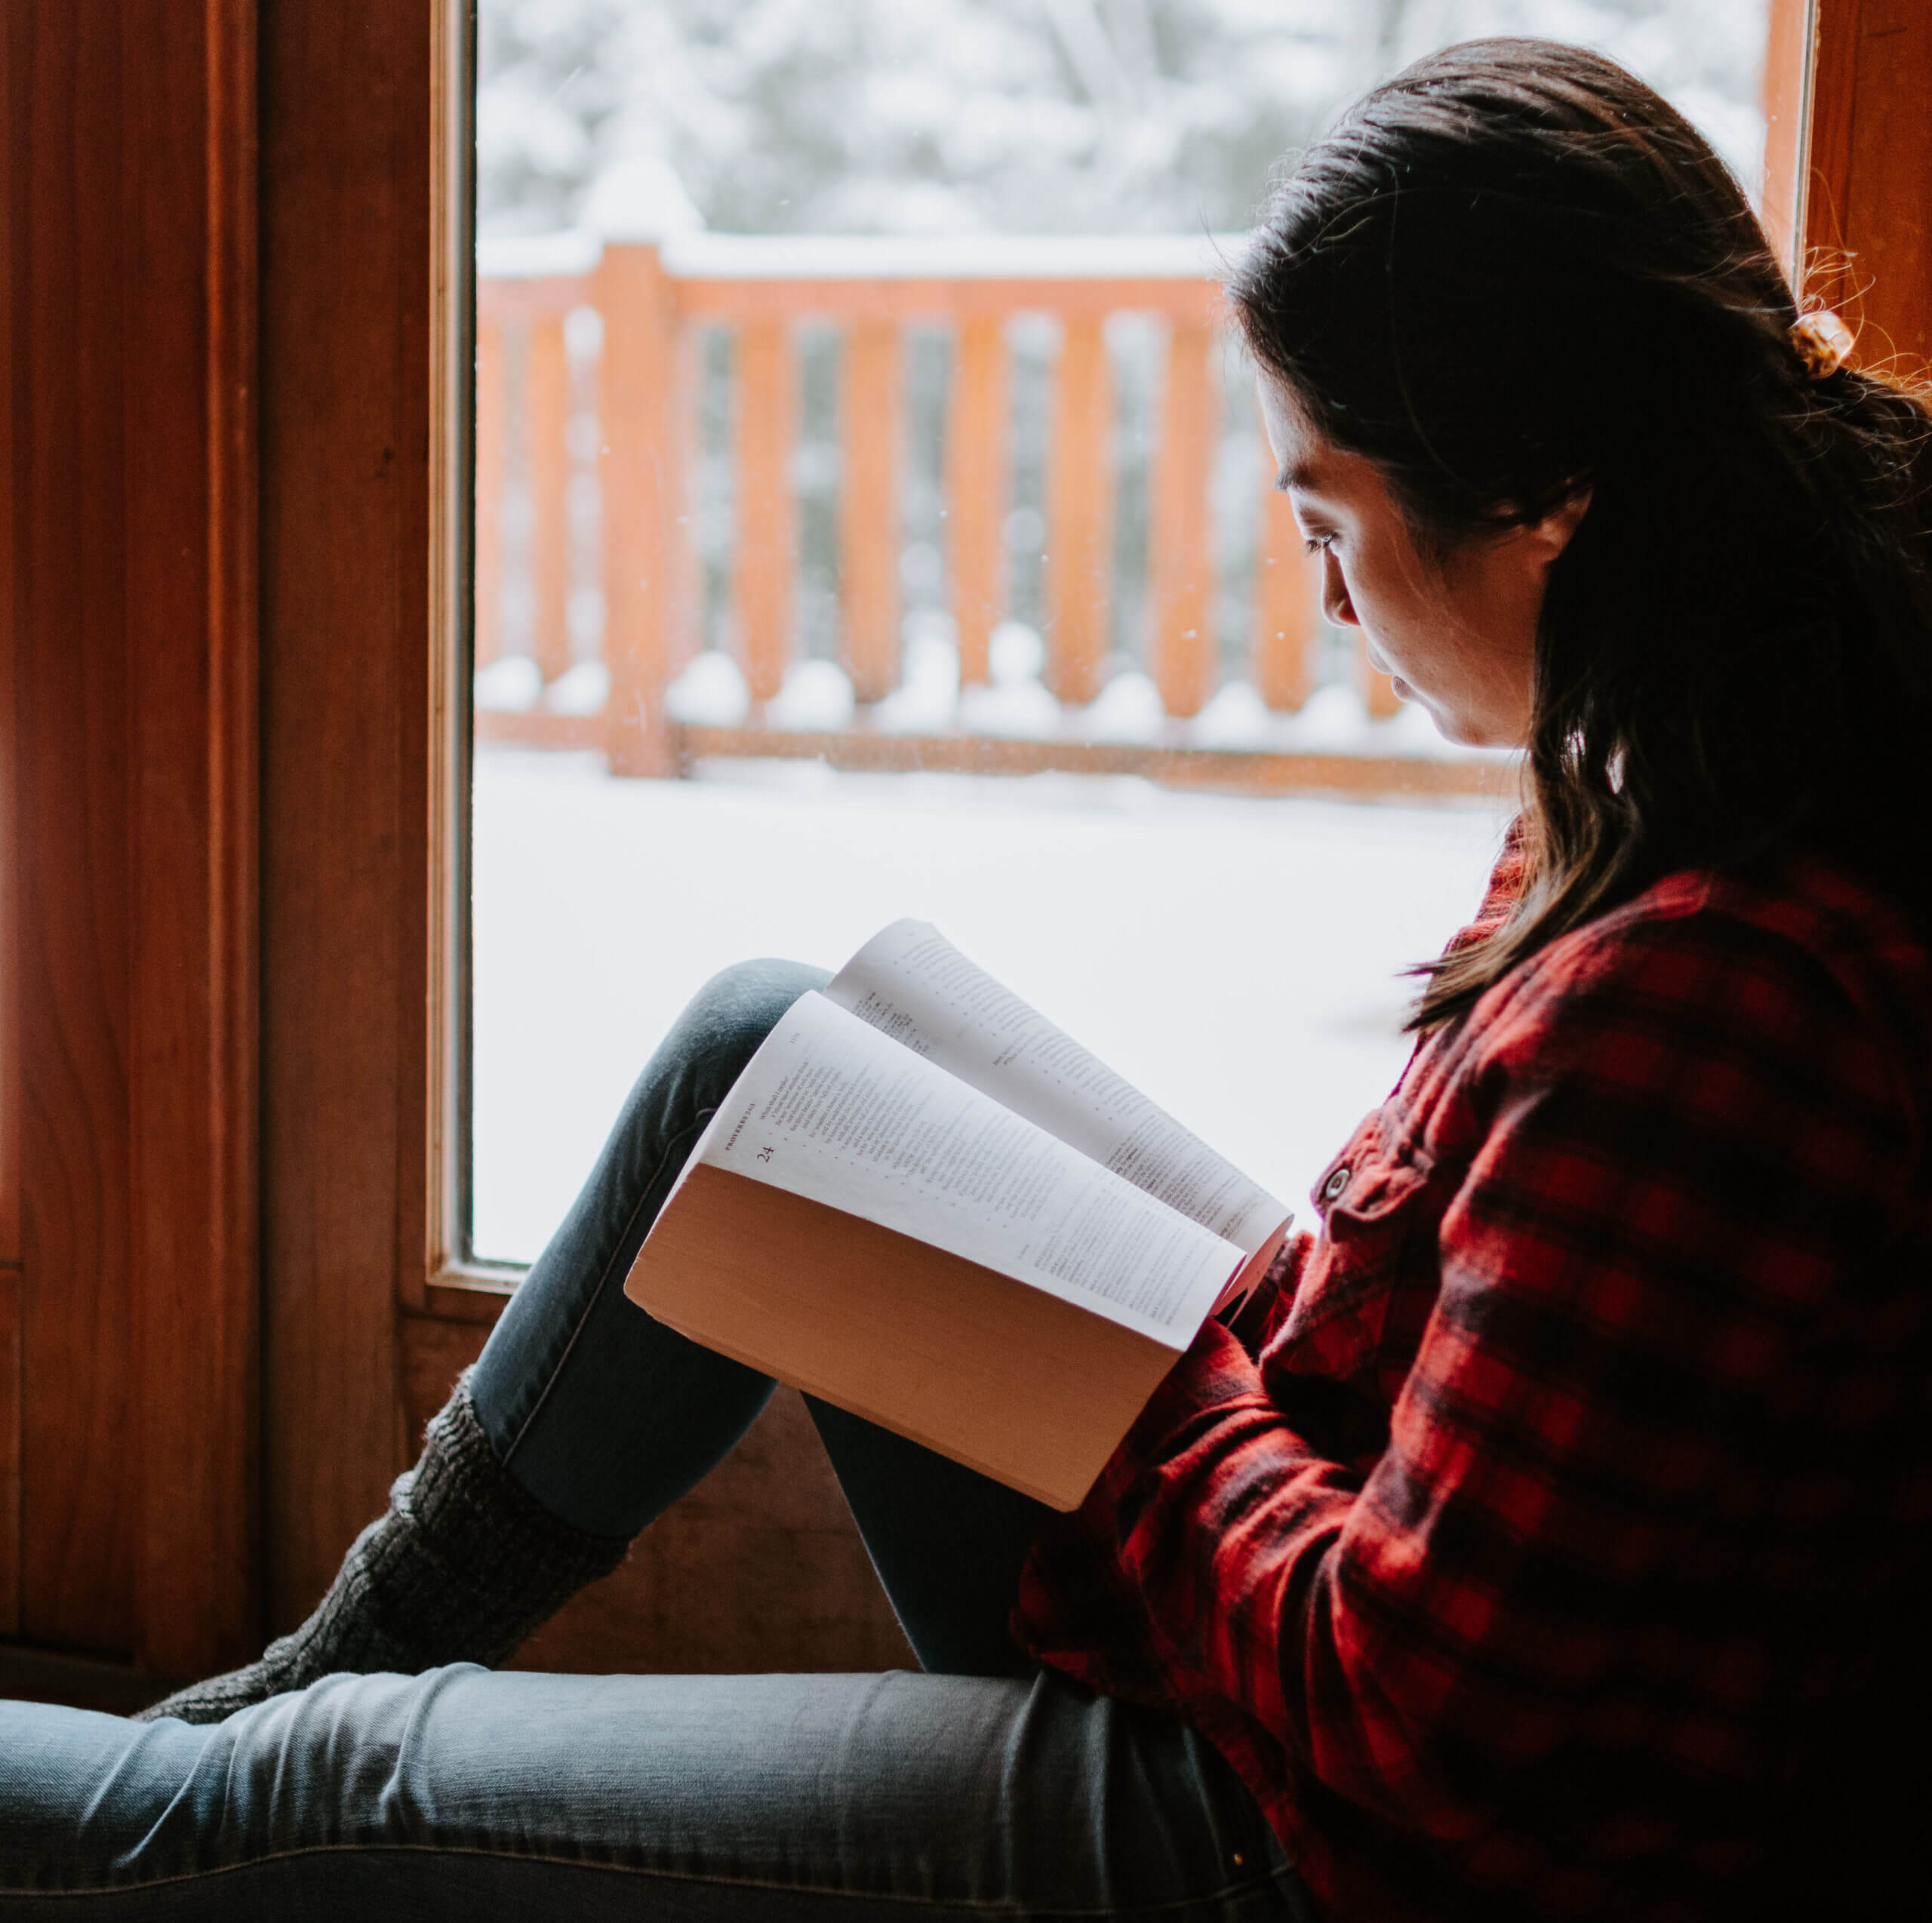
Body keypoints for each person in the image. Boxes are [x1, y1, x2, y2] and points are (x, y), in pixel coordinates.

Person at [5, 35, 1929, 1921]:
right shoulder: (1697, 753)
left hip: (1295, 1836)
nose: (1326, 598)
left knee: (327, 1788)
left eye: (1327, 516)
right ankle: (253, 1730)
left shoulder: (1712, 995)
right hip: (1288, 1635)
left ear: (1543, 496)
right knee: (765, 1051)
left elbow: (1413, 1728)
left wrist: (1151, 1389)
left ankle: (214, 1797)